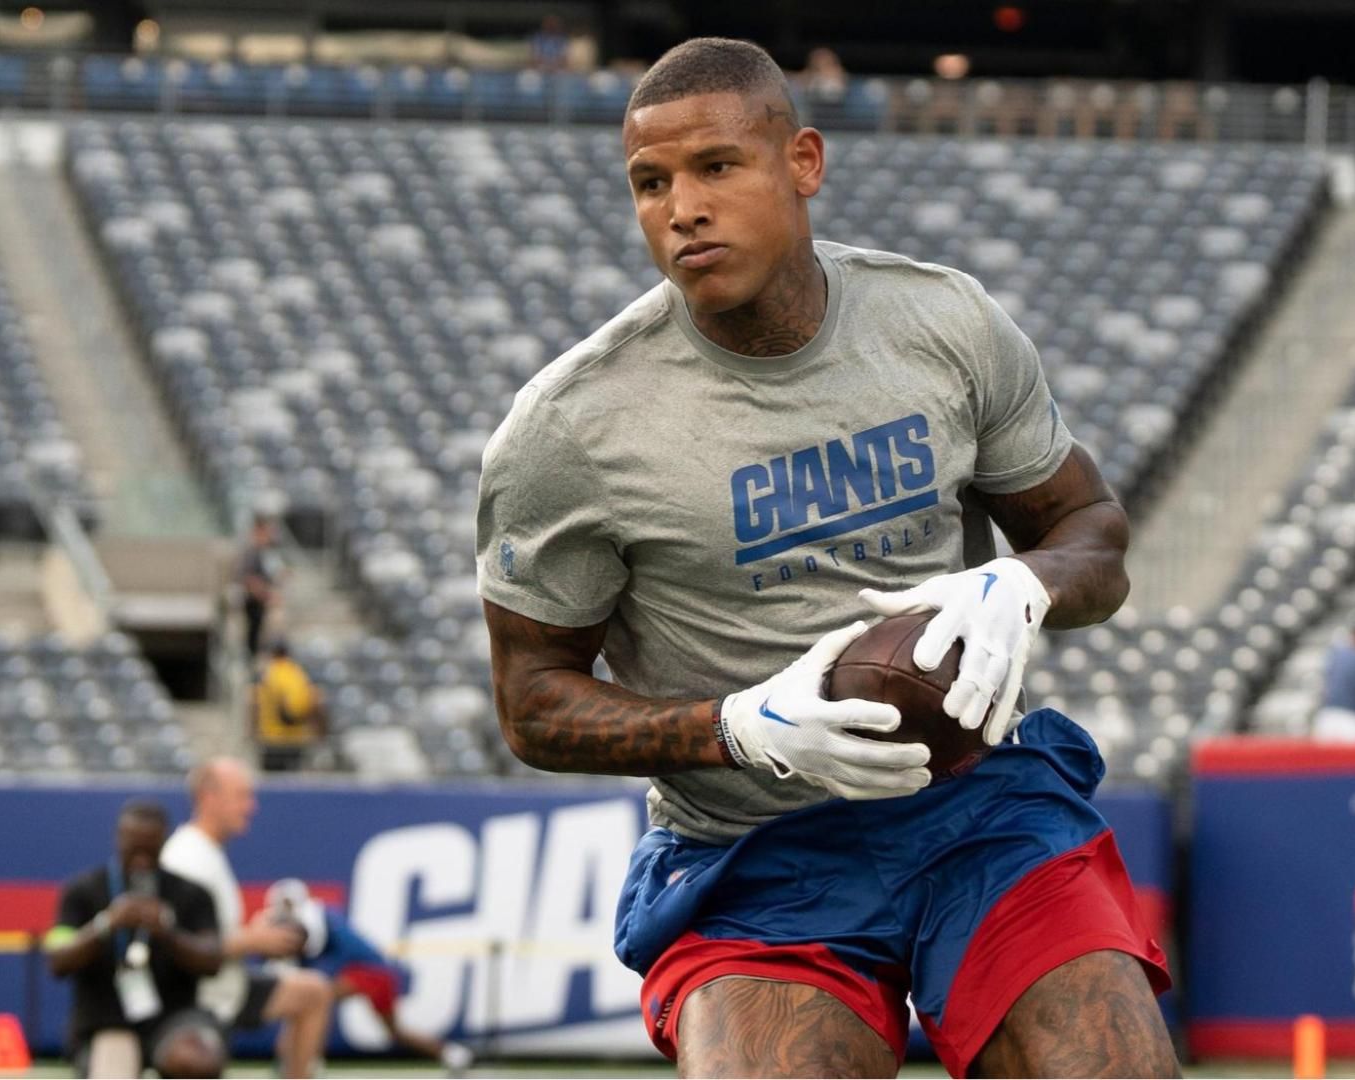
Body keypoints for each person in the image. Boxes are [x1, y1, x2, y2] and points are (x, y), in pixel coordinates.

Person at [474, 37, 1175, 1078]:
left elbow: (1093, 535)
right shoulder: (569, 427)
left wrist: (1022, 584)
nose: (683, 208)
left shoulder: (942, 323)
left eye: (717, 167)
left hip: (978, 809)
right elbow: (531, 701)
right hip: (752, 851)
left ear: (803, 162)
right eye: (650, 183)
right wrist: (737, 728)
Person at [161, 758, 334, 1078]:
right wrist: (253, 939)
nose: (251, 807)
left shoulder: (206, 851)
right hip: (199, 998)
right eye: (242, 796)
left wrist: (254, 934)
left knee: (314, 993)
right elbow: (177, 941)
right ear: (209, 797)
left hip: (228, 984)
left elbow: (211, 929)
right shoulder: (186, 859)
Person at [46, 800, 228, 1079]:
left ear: (164, 842)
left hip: (173, 1017)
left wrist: (167, 932)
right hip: (106, 1021)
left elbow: (212, 960)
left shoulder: (191, 893)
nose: (141, 859)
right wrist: (106, 924)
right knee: (112, 1072)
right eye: (134, 848)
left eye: (150, 849)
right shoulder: (82, 891)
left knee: (196, 1059)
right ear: (119, 839)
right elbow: (58, 959)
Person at [264, 880, 474, 1075]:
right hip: (372, 973)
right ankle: (452, 1054)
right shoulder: (313, 921)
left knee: (315, 997)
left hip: (370, 972)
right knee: (394, 1032)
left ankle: (307, 1058)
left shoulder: (318, 918)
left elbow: (337, 956)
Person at [255, 641, 325, 773]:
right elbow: (314, 702)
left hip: (272, 738)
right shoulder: (298, 674)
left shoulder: (269, 673)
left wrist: (253, 729)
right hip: (296, 739)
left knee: (272, 784)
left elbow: (256, 703)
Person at [238, 515, 284, 662]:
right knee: (253, 644)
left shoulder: (266, 553)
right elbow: (249, 580)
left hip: (262, 608)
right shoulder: (251, 553)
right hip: (254, 607)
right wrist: (268, 595)